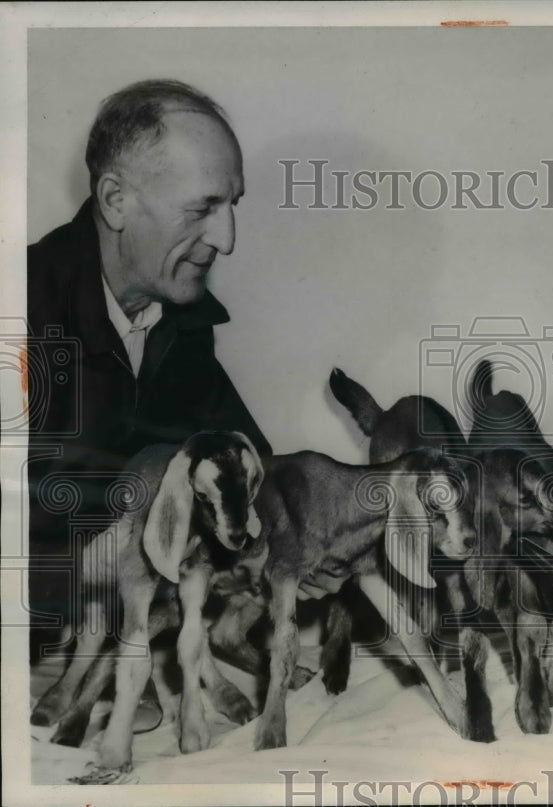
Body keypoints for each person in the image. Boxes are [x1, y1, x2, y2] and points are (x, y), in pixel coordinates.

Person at [27, 81, 271, 720]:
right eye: (203, 207)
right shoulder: (15, 311)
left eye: (232, 205)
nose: (227, 238)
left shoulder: (183, 324)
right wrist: (85, 576)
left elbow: (252, 464)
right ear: (115, 200)